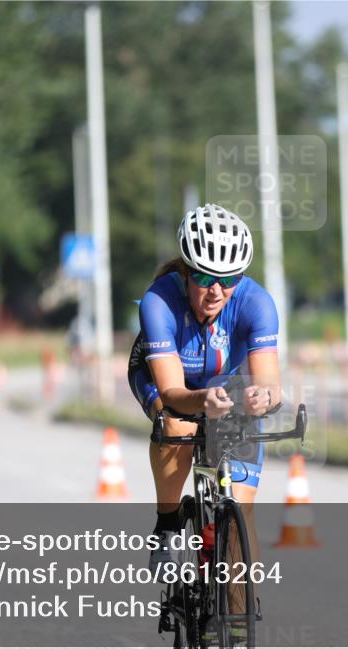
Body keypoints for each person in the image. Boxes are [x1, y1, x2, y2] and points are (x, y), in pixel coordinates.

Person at [128, 203, 281, 568]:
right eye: (204, 278)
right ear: (185, 272)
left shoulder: (257, 302)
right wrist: (201, 401)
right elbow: (172, 394)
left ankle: (240, 618)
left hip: (227, 390)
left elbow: (269, 382)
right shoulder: (158, 302)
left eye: (229, 280)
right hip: (170, 385)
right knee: (175, 423)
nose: (216, 290)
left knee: (242, 514)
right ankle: (166, 524)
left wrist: (264, 397)